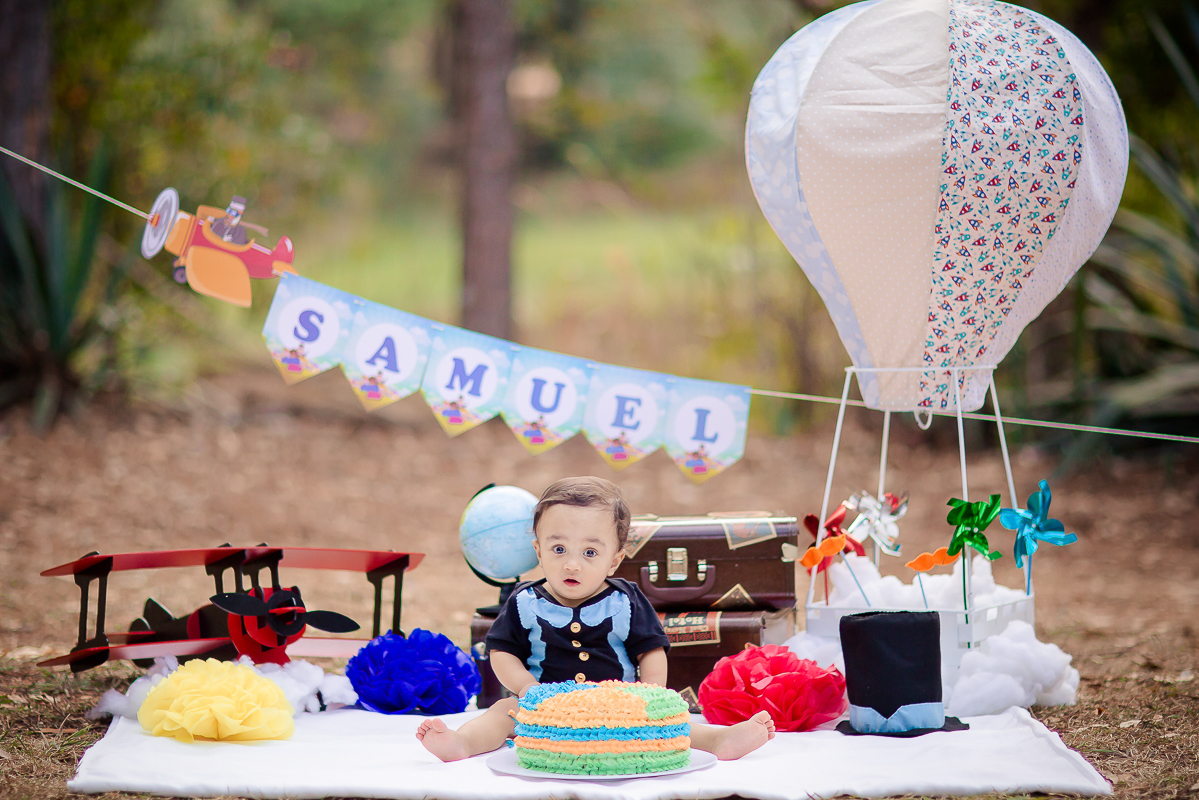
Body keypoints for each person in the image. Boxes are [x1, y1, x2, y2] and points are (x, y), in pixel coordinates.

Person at [416, 476, 775, 762]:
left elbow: (651, 650)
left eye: (590, 552)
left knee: (669, 721)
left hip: (619, 706)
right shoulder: (525, 600)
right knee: (504, 711)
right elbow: (501, 651)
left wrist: (649, 694)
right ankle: (462, 743)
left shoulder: (625, 600)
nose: (572, 563)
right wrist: (527, 688)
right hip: (547, 710)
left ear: (614, 560)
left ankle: (718, 740)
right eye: (559, 549)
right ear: (538, 550)